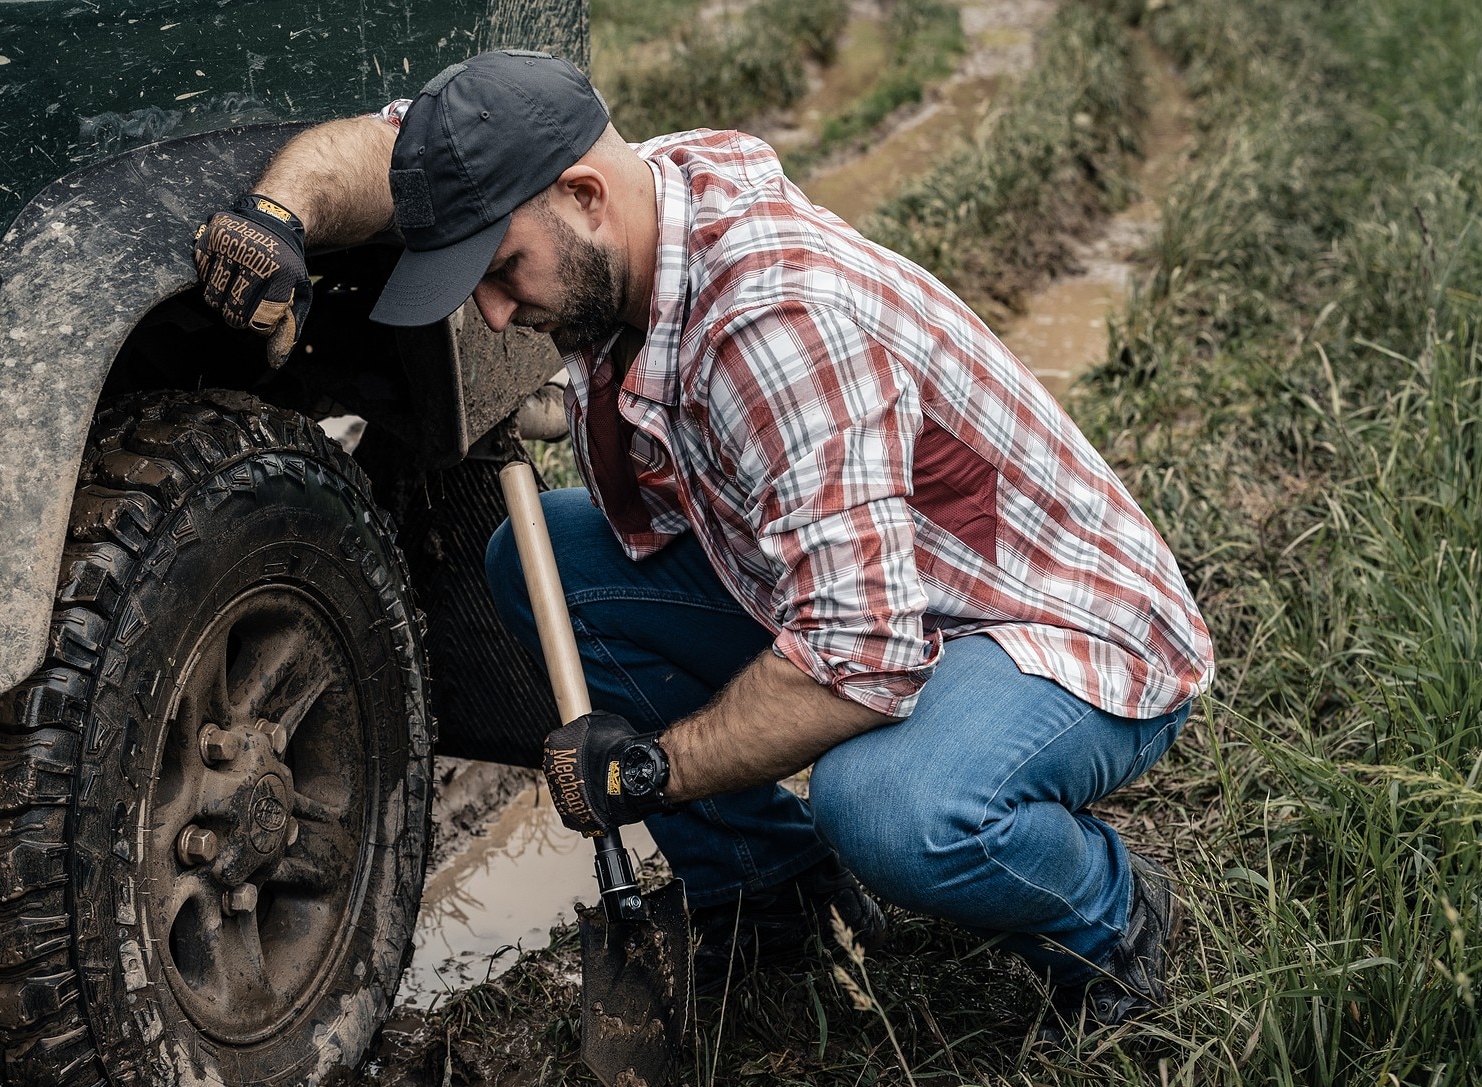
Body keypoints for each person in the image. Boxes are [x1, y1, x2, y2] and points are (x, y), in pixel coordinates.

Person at [192, 50, 1214, 1036]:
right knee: (543, 565)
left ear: (585, 198)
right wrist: (281, 211)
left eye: (502, 271)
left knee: (891, 809)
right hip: (881, 589)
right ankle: (769, 891)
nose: (494, 314)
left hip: (1051, 629)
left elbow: (863, 660)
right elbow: (393, 152)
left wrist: (649, 772)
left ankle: (1113, 920)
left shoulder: (773, 328)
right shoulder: (633, 198)